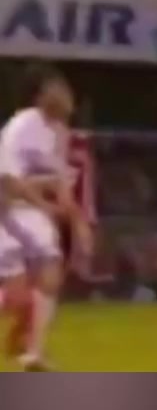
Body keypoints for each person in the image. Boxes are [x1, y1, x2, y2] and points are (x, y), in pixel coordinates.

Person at [0, 65, 93, 371]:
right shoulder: (23, 126)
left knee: (47, 276)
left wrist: (78, 223)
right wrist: (43, 203)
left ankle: (34, 352)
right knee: (19, 294)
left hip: (29, 212)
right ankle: (31, 347)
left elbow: (60, 184)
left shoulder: (59, 133)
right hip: (9, 210)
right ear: (41, 95)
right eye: (59, 88)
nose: (68, 95)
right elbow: (8, 179)